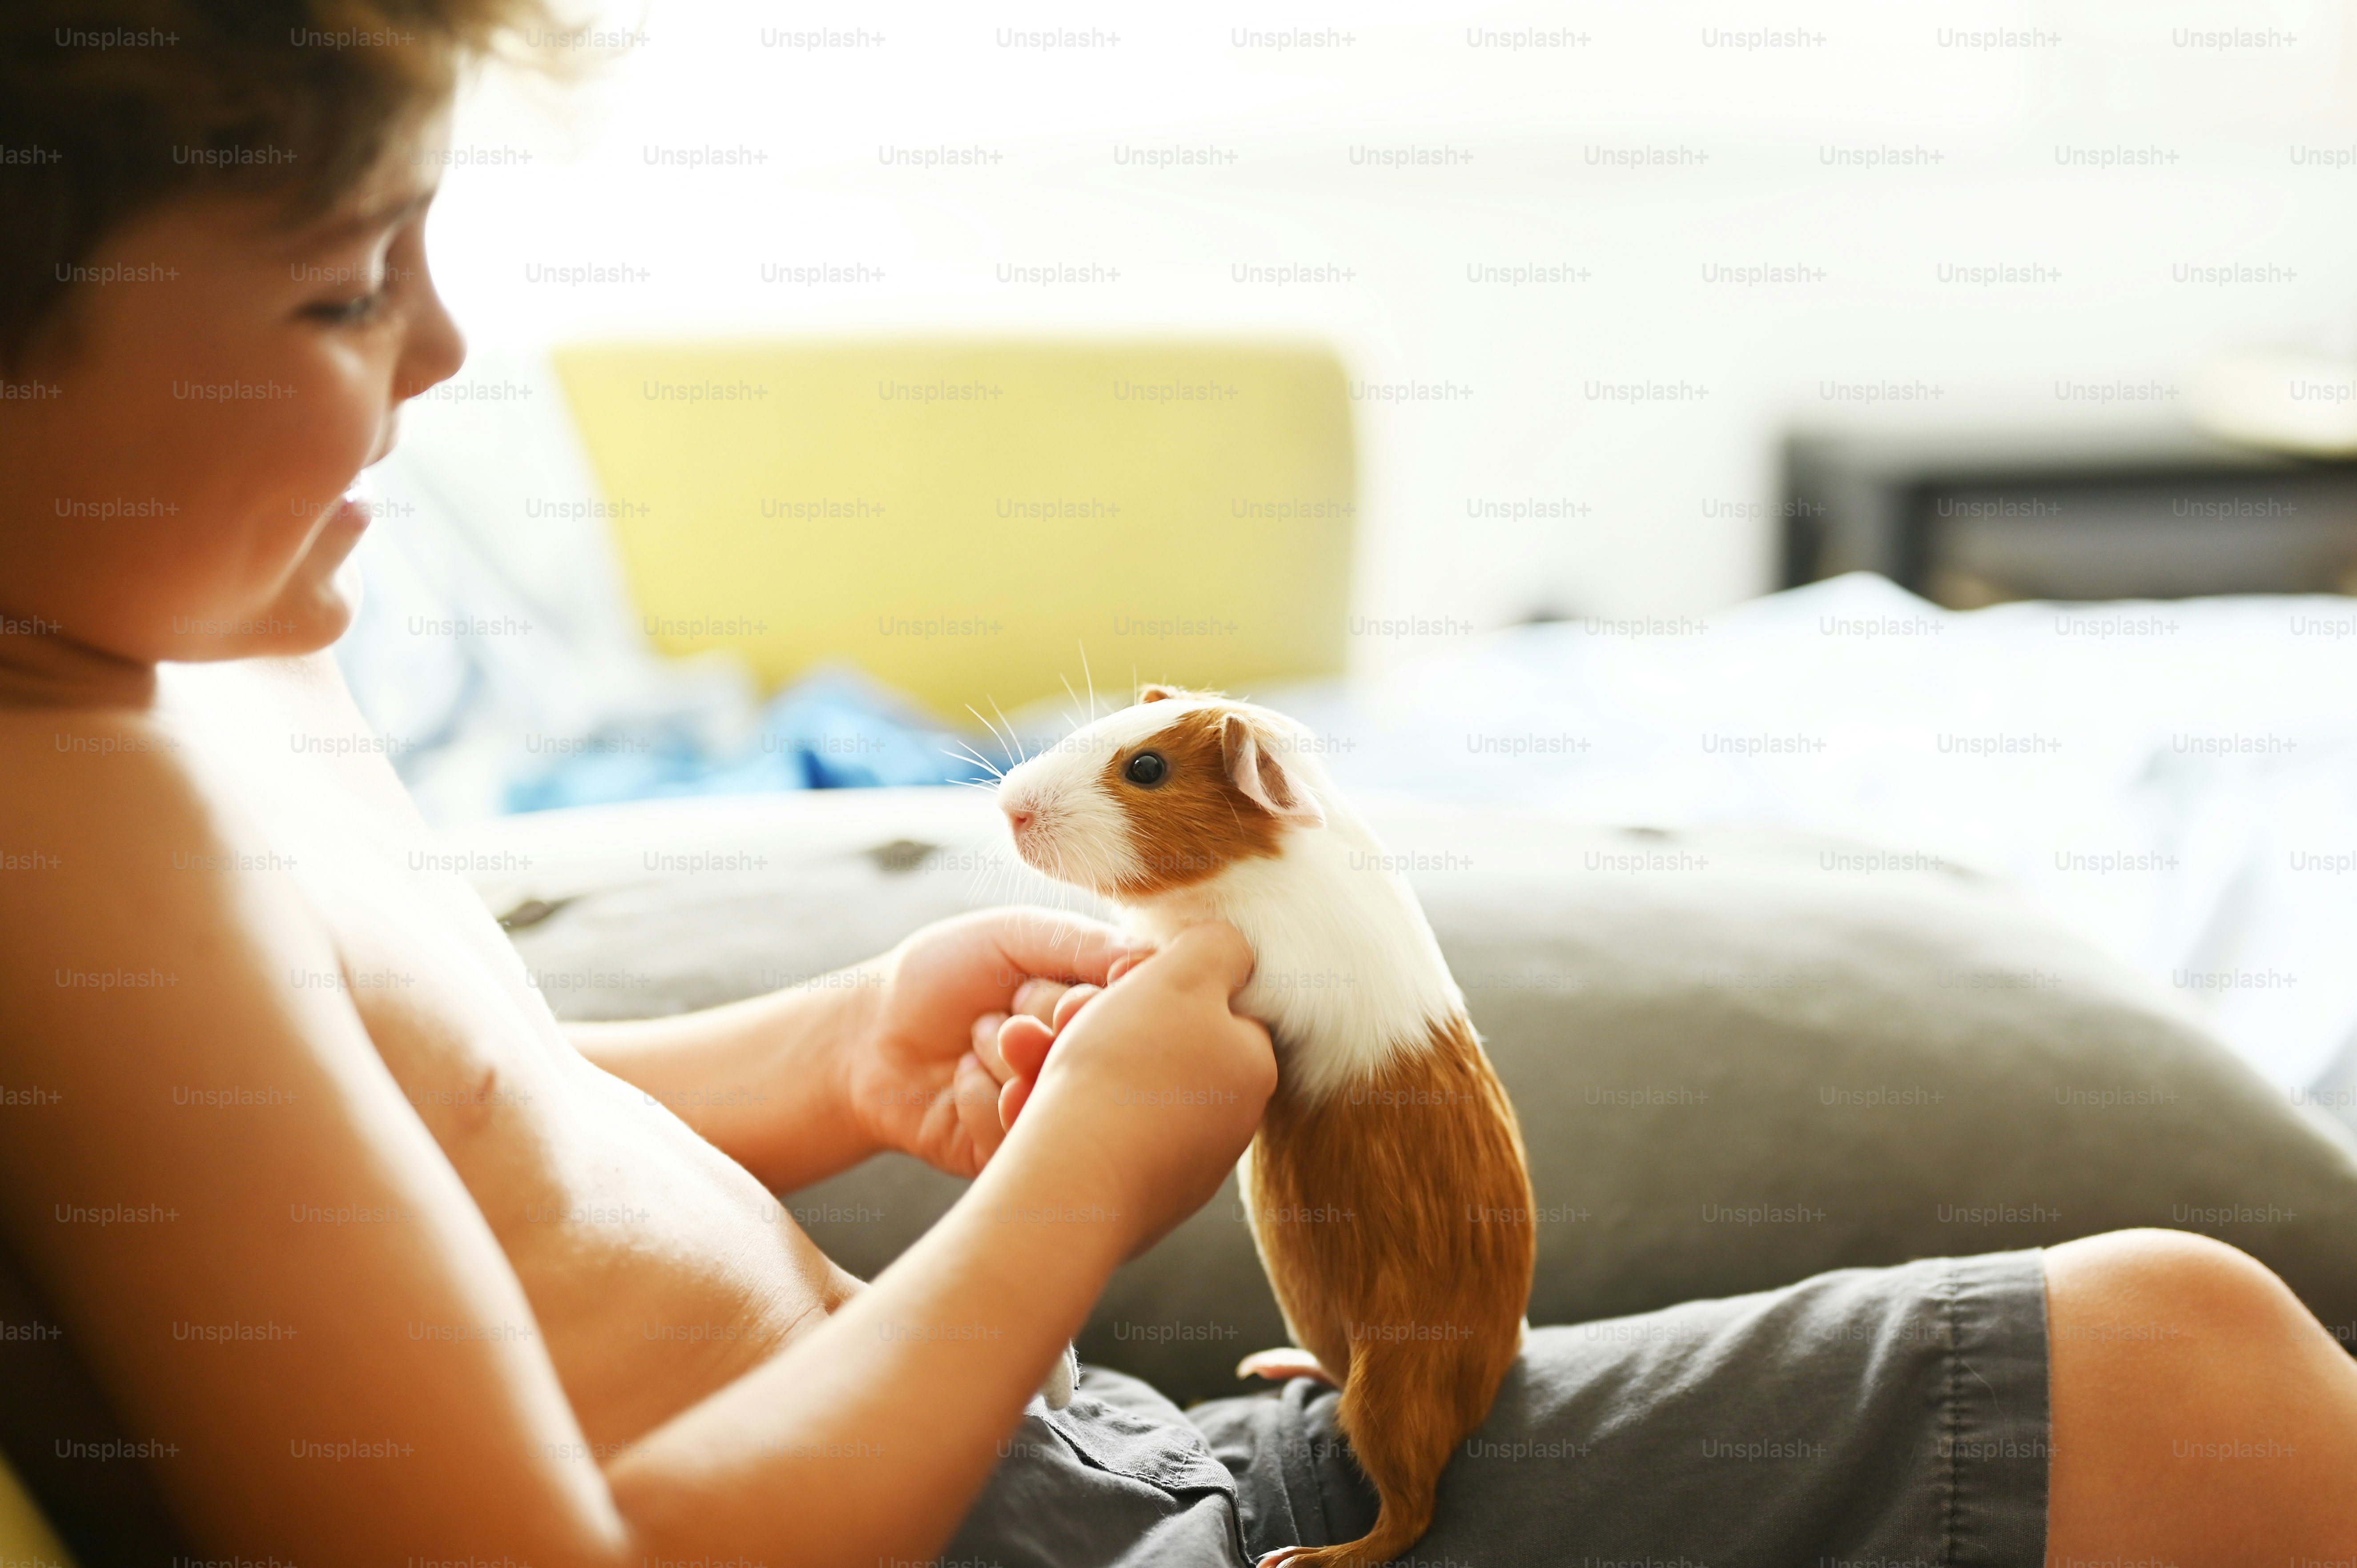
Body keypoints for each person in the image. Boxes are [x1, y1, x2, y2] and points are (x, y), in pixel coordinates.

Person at [3, 5, 2353, 1565]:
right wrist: (1074, 1202)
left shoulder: (181, 667)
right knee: (2188, 1395)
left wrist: (816, 1058)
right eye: (338, 292)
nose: (447, 345)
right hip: (1050, 1528)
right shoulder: (71, 835)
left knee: (2175, 1341)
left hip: (1077, 1482)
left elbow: (433, 1134)